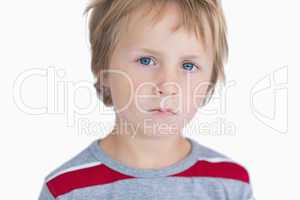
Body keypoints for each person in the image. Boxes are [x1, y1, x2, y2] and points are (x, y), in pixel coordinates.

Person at [39, 0, 254, 199]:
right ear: (103, 70)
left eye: (188, 66)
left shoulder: (231, 184)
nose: (167, 86)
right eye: (146, 60)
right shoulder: (66, 189)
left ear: (210, 80)